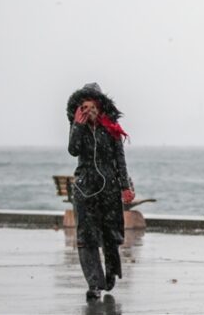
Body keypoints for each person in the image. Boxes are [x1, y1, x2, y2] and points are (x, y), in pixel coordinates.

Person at [66, 83, 135, 300]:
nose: (88, 110)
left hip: (109, 187)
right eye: (83, 106)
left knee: (110, 233)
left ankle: (112, 272)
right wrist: (77, 126)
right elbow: (73, 150)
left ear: (99, 104)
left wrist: (125, 186)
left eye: (91, 105)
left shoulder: (111, 127)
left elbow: (120, 159)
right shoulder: (78, 126)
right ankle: (94, 284)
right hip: (85, 186)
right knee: (86, 236)